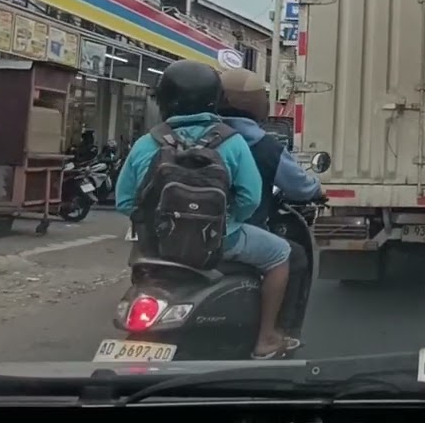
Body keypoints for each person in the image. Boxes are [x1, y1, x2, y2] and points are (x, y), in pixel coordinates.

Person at [115, 59, 294, 359]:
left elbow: (123, 201)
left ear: (163, 101)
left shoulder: (147, 143)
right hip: (220, 239)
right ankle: (266, 338)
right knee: (281, 254)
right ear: (215, 100)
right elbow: (250, 198)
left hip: (158, 244)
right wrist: (226, 220)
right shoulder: (232, 141)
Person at [216, 68, 321, 342]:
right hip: (233, 233)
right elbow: (287, 189)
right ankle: (273, 333)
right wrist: (317, 190)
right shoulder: (259, 144)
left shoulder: (172, 136)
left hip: (169, 236)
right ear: (257, 104)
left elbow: (128, 199)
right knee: (292, 255)